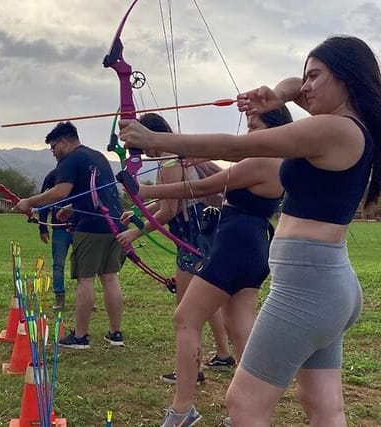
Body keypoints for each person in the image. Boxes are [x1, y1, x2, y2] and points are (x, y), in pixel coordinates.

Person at [119, 35, 380, 427]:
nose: (305, 87)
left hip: (307, 289)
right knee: (323, 405)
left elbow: (236, 146)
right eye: (306, 77)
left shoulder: (335, 129)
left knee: (243, 403)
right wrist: (277, 94)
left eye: (316, 76)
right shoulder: (348, 127)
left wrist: (155, 139)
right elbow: (293, 84)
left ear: (345, 77)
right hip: (326, 286)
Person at [124, 107, 291, 427]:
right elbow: (220, 184)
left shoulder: (262, 159)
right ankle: (250, 410)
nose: (248, 132)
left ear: (274, 128)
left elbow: (201, 188)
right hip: (252, 244)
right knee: (239, 323)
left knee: (186, 318)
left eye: (254, 125)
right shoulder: (276, 161)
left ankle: (182, 409)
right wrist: (198, 161)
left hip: (234, 245)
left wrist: (146, 192)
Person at [117, 113, 234, 388]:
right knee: (204, 299)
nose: (141, 150)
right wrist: (136, 215)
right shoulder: (172, 157)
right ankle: (224, 354)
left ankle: (192, 370)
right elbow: (166, 204)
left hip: (191, 239)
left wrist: (135, 232)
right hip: (199, 237)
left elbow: (169, 210)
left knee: (185, 311)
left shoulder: (169, 159)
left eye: (139, 140)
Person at [14, 121, 127, 349]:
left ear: (64, 142)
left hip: (90, 228)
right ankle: (115, 334)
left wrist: (29, 202)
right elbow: (97, 193)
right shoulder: (97, 157)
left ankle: (81, 336)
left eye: (54, 147)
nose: (54, 153)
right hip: (114, 225)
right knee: (110, 278)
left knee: (85, 280)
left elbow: (60, 191)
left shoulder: (69, 160)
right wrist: (73, 208)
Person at [38, 167, 73, 311]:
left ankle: (86, 296)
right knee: (58, 264)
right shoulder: (52, 176)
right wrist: (43, 227)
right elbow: (44, 202)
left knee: (84, 264)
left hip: (81, 227)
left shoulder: (83, 174)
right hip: (59, 228)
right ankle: (59, 297)